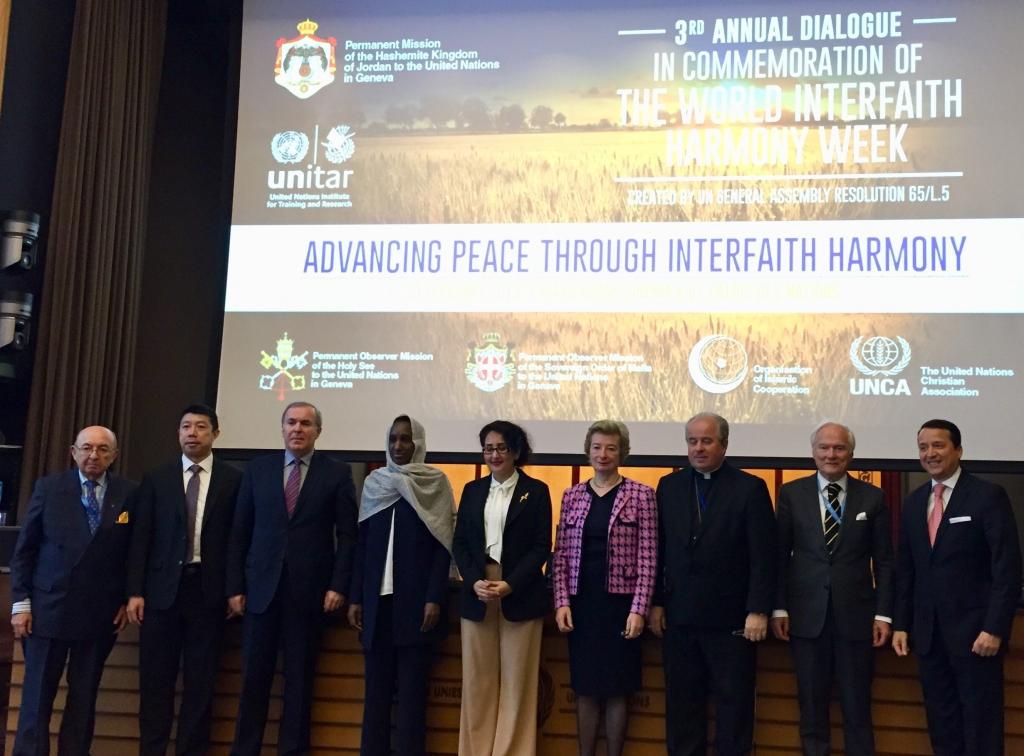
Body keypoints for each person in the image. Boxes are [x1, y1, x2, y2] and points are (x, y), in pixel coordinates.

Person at [226, 401, 357, 756]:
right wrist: (235, 586)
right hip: (260, 592)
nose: (298, 429)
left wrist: (338, 585)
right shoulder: (258, 469)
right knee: (253, 682)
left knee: (299, 685)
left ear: (318, 431)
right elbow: (240, 531)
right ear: (282, 428)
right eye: (291, 423)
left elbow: (347, 536)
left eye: (306, 424)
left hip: (309, 594)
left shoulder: (337, 473)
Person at [650, 412, 776, 756]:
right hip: (679, 618)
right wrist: (657, 602)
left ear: (724, 443)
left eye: (707, 441)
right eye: (692, 441)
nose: (699, 448)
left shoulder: (749, 487)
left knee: (733, 707)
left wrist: (758, 609)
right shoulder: (670, 485)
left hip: (732, 620)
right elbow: (660, 549)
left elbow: (764, 556)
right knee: (682, 706)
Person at [893, 419, 1021, 756]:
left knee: (981, 725)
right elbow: (907, 570)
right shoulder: (915, 501)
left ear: (959, 450)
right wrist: (902, 624)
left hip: (977, 637)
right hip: (929, 637)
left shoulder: (987, 496)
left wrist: (994, 628)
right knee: (942, 722)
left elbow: (1006, 569)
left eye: (938, 445)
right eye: (923, 447)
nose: (930, 453)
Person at [9, 425, 136, 756]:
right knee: (37, 699)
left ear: (114, 456)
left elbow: (134, 553)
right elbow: (25, 550)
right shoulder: (50, 488)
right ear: (73, 451)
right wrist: (20, 604)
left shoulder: (129, 493)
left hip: (99, 614)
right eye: (87, 448)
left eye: (102, 449)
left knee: (83, 700)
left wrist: (126, 597)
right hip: (47, 610)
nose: (94, 455)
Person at [125, 404, 243, 756]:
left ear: (216, 434)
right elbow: (140, 538)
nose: (192, 433)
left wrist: (234, 588)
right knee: (155, 684)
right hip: (161, 594)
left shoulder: (234, 480)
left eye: (201, 427)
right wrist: (134, 591)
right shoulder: (157, 478)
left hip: (208, 593)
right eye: (186, 427)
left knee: (200, 685)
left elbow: (238, 540)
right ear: (178, 434)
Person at [771, 421, 894, 756]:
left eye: (839, 448)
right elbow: (779, 556)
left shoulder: (874, 497)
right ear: (813, 452)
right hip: (805, 619)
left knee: (857, 709)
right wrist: (779, 607)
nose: (831, 454)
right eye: (824, 447)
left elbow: (884, 561)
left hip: (857, 620)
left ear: (851, 454)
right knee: (811, 709)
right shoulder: (791, 494)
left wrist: (884, 614)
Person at [348, 415, 455, 756]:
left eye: (405, 439)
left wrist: (435, 597)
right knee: (375, 700)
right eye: (393, 438)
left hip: (417, 606)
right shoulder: (375, 483)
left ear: (418, 444)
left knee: (411, 702)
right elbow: (361, 547)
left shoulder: (435, 483)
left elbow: (443, 547)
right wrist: (355, 597)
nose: (398, 445)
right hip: (377, 607)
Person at [552, 420, 657, 756]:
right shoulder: (571, 495)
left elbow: (649, 557)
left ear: (622, 453)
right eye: (597, 447)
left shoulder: (642, 495)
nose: (603, 454)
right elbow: (560, 555)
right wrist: (561, 602)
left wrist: (639, 609)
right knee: (584, 688)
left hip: (620, 607)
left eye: (611, 448)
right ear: (588, 452)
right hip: (582, 604)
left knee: (617, 689)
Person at [452, 420, 552, 756]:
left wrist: (509, 584)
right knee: (477, 681)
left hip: (519, 590)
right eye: (488, 448)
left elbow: (541, 546)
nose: (494, 455)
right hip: (477, 588)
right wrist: (472, 579)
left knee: (517, 683)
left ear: (516, 452)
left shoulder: (536, 491)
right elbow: (461, 543)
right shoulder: (472, 490)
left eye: (501, 448)